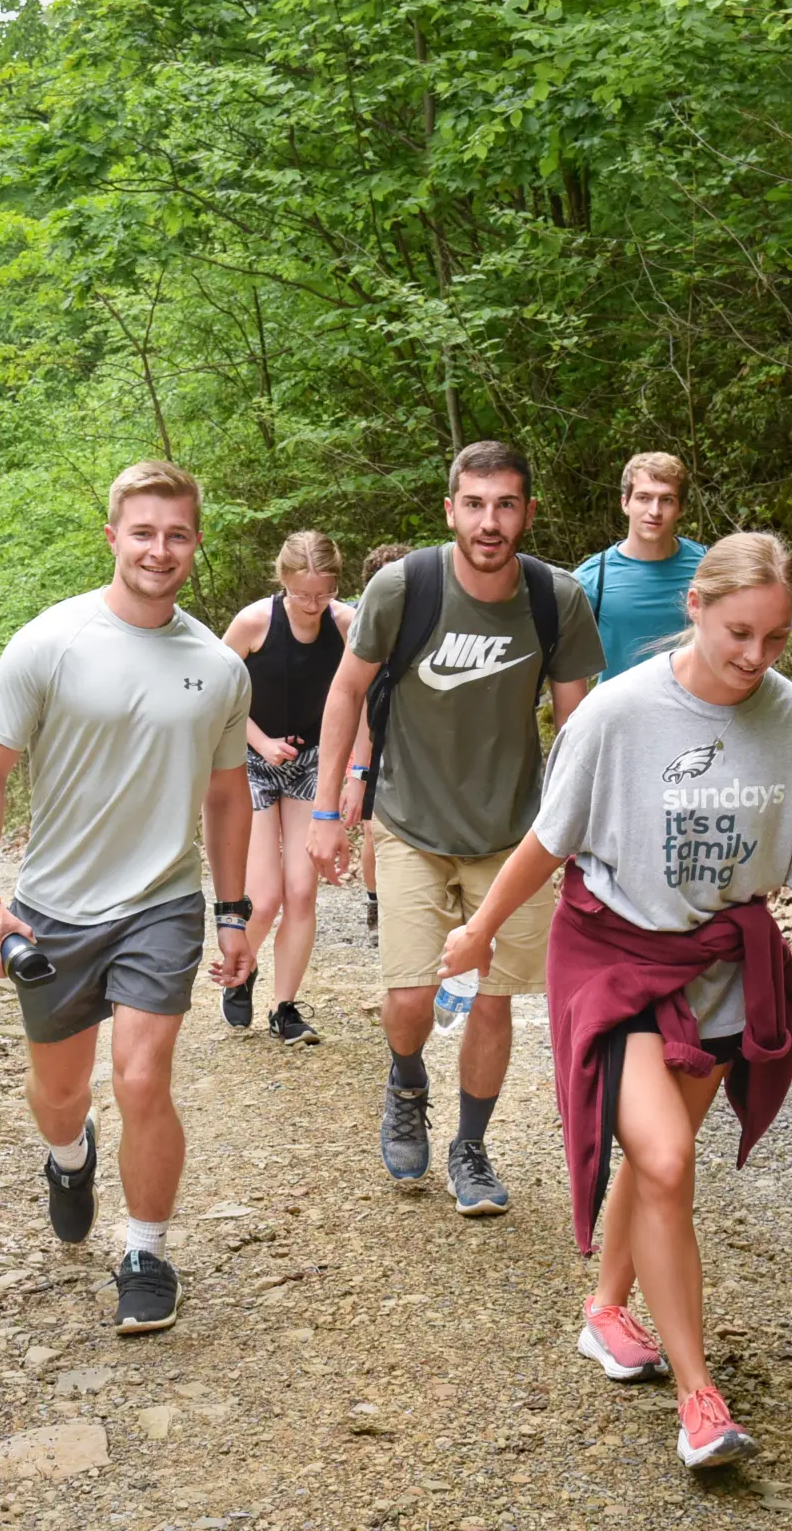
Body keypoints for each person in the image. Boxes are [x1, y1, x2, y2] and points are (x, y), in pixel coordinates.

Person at [441, 532, 792, 1470]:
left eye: (776, 637)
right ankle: (698, 1398)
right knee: (667, 1158)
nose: (756, 656)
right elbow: (551, 840)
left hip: (721, 965)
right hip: (615, 955)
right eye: (739, 633)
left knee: (658, 1157)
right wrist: (480, 931)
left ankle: (604, 1309)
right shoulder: (619, 713)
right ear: (696, 609)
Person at [0, 459, 256, 1335]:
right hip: (53, 906)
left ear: (195, 545)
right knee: (58, 1091)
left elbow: (228, 794)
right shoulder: (49, 642)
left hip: (161, 902)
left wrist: (234, 910)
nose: (158, 550)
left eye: (176, 534)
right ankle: (68, 1155)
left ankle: (148, 1253)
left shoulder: (216, 665)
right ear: (113, 537)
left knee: (141, 1075)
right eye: (143, 532)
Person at [310, 441, 604, 1216]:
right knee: (409, 995)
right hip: (408, 819)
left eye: (506, 504)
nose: (490, 520)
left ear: (529, 513)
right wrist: (325, 808)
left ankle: (470, 1146)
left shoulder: (557, 598)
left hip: (512, 831)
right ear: (450, 510)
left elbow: (579, 726)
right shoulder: (404, 587)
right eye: (474, 504)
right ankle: (407, 1081)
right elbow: (346, 692)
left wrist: (575, 833)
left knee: (493, 1001)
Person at [219, 532, 358, 1044]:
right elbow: (216, 696)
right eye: (302, 594)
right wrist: (260, 741)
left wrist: (352, 776)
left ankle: (284, 1008)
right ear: (283, 582)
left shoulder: (346, 625)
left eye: (322, 594)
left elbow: (361, 701)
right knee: (267, 896)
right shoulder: (254, 622)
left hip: (310, 764)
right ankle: (241, 967)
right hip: (249, 763)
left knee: (302, 891)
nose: (312, 605)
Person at [571, 452, 707, 675]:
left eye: (667, 500)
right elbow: (563, 660)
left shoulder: (707, 565)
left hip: (693, 705)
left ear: (681, 508)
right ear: (625, 503)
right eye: (643, 498)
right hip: (620, 707)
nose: (654, 511)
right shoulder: (592, 579)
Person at [353, 542, 414, 933]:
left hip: (419, 744)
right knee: (373, 831)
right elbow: (354, 699)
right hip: (377, 740)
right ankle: (377, 904)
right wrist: (357, 771)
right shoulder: (363, 629)